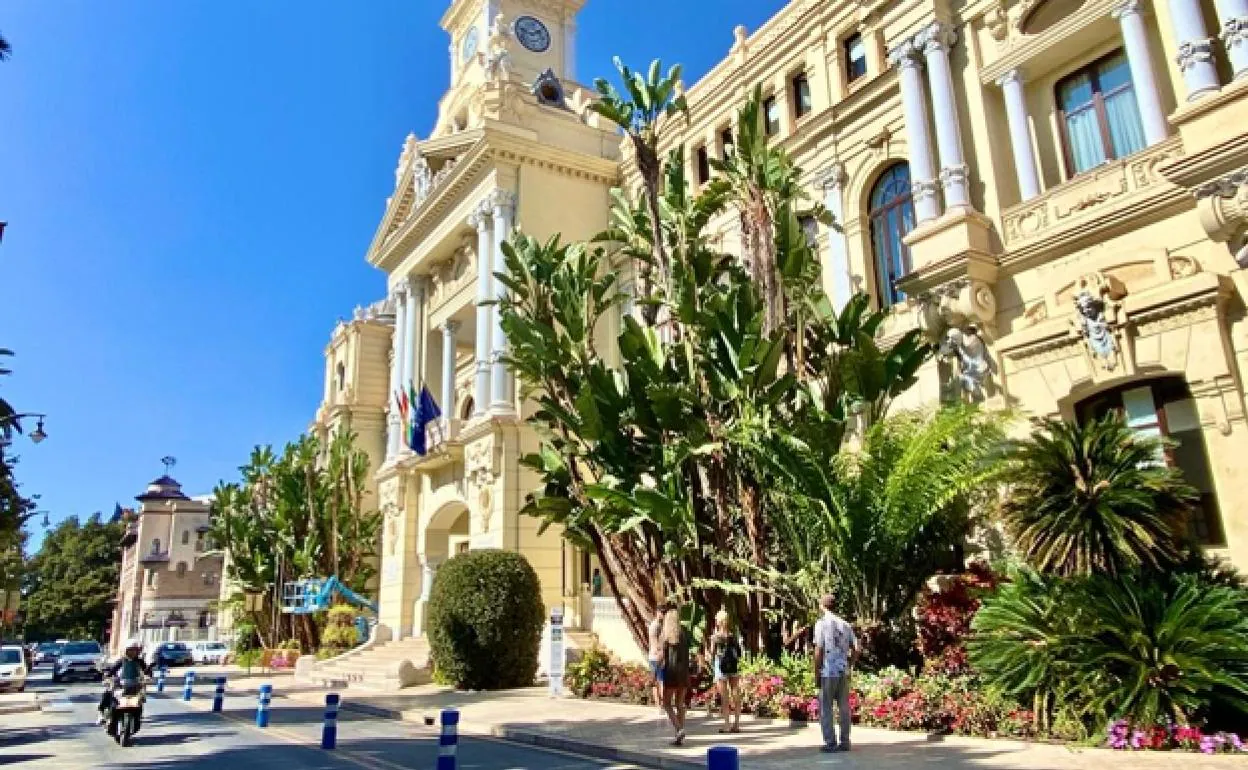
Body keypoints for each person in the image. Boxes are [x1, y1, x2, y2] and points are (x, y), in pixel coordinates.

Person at [813, 594, 859, 753]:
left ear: (822, 606)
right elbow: (857, 648)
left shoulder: (821, 624)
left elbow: (818, 650)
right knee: (844, 707)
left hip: (828, 671)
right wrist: (850, 664)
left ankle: (830, 743)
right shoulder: (846, 625)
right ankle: (845, 742)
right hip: (842, 671)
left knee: (826, 708)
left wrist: (817, 671)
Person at [99, 638, 152, 735]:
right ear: (126, 650)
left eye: (135, 650)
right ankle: (103, 714)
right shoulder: (121, 661)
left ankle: (137, 719)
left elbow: (147, 671)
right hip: (121, 686)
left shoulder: (139, 662)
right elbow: (112, 670)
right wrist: (107, 677)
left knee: (140, 700)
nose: (133, 652)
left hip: (135, 687)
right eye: (131, 650)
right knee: (108, 694)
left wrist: (148, 677)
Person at [657, 607, 690, 746]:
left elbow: (661, 657)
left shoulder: (665, 637)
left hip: (671, 673)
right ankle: (679, 736)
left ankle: (679, 728)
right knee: (680, 704)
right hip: (683, 673)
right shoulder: (683, 635)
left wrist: (656, 670)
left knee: (666, 703)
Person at [709, 609, 742, 734]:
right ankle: (737, 724)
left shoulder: (715, 637)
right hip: (733, 666)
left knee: (724, 697)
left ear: (719, 621)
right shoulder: (733, 636)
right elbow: (738, 653)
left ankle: (727, 725)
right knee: (735, 693)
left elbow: (712, 653)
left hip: (720, 665)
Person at [647, 604, 668, 711]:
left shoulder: (663, 625)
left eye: (664, 612)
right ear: (657, 612)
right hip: (655, 657)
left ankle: (663, 704)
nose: (663, 614)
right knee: (657, 681)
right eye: (662, 612)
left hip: (661, 656)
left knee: (662, 681)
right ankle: (659, 705)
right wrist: (660, 655)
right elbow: (654, 642)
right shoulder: (654, 626)